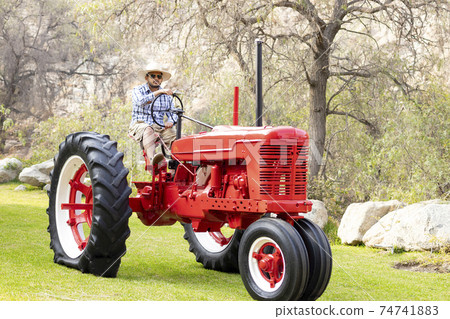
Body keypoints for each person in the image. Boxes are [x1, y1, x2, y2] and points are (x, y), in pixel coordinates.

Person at [128, 63, 177, 168]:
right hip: (140, 124)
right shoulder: (138, 90)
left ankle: (175, 170)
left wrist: (171, 121)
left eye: (159, 77)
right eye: (153, 76)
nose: (156, 78)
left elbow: (173, 112)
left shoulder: (166, 96)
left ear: (161, 79)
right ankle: (153, 164)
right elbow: (141, 101)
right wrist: (159, 92)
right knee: (148, 129)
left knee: (177, 138)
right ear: (147, 77)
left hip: (159, 126)